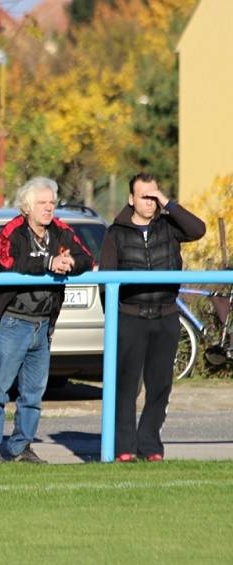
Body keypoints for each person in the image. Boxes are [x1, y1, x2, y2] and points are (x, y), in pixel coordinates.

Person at [0, 177, 93, 463]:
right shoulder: (12, 230)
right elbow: (9, 262)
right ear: (27, 207)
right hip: (14, 321)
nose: (49, 208)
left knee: (33, 394)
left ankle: (20, 448)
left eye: (52, 202)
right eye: (42, 203)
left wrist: (71, 264)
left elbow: (86, 256)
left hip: (43, 325)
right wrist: (49, 263)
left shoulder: (62, 231)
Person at [99, 173, 205, 462]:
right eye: (144, 196)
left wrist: (168, 204)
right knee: (126, 386)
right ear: (131, 199)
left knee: (160, 385)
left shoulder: (169, 227)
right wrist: (115, 320)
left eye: (154, 195)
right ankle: (124, 447)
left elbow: (198, 230)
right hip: (130, 317)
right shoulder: (116, 233)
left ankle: (150, 445)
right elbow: (104, 280)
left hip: (166, 315)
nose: (150, 202)